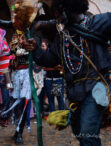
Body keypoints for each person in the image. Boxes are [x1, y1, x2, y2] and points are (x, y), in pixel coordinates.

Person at [25, 0, 111, 145]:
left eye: (58, 12)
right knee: (79, 132)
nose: (57, 16)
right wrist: (36, 49)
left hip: (96, 88)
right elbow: (51, 59)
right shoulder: (62, 36)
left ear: (69, 8)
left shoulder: (98, 23)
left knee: (87, 135)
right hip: (74, 93)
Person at [41, 41, 65, 112]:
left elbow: (61, 68)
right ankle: (53, 116)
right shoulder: (45, 55)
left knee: (59, 99)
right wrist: (55, 68)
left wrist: (52, 67)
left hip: (56, 79)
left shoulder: (59, 54)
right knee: (51, 99)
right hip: (49, 79)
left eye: (43, 46)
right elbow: (44, 68)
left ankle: (61, 116)